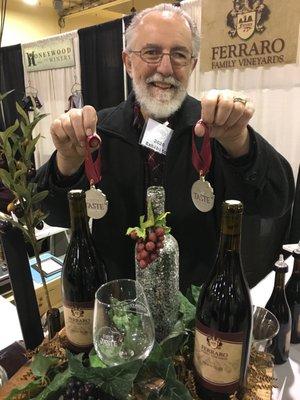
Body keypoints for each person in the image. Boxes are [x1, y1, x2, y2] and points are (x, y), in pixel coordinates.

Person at [36, 3, 294, 293]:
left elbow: (276, 202)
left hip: (196, 310)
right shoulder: (98, 134)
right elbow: (48, 214)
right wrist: (67, 162)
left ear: (193, 65)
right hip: (119, 305)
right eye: (151, 52)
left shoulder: (216, 129)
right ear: (127, 61)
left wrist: (239, 141)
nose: (166, 67)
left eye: (180, 54)